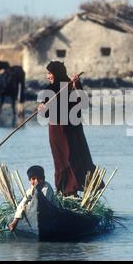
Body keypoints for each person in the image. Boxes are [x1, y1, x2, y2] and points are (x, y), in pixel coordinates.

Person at [38, 61, 98, 196]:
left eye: (49, 73)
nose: (48, 76)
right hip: (57, 130)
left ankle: (80, 190)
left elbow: (83, 104)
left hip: (72, 129)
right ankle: (65, 191)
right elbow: (45, 114)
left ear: (57, 73)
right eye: (47, 73)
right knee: (61, 161)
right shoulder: (49, 90)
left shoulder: (71, 86)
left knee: (75, 156)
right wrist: (42, 108)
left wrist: (77, 85)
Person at [8, 165, 57, 232]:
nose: (36, 181)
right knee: (23, 205)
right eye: (33, 179)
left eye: (39, 178)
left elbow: (43, 203)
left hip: (50, 212)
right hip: (37, 212)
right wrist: (15, 221)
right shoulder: (31, 189)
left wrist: (29, 204)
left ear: (44, 178)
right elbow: (22, 203)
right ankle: (14, 222)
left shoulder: (46, 187)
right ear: (29, 181)